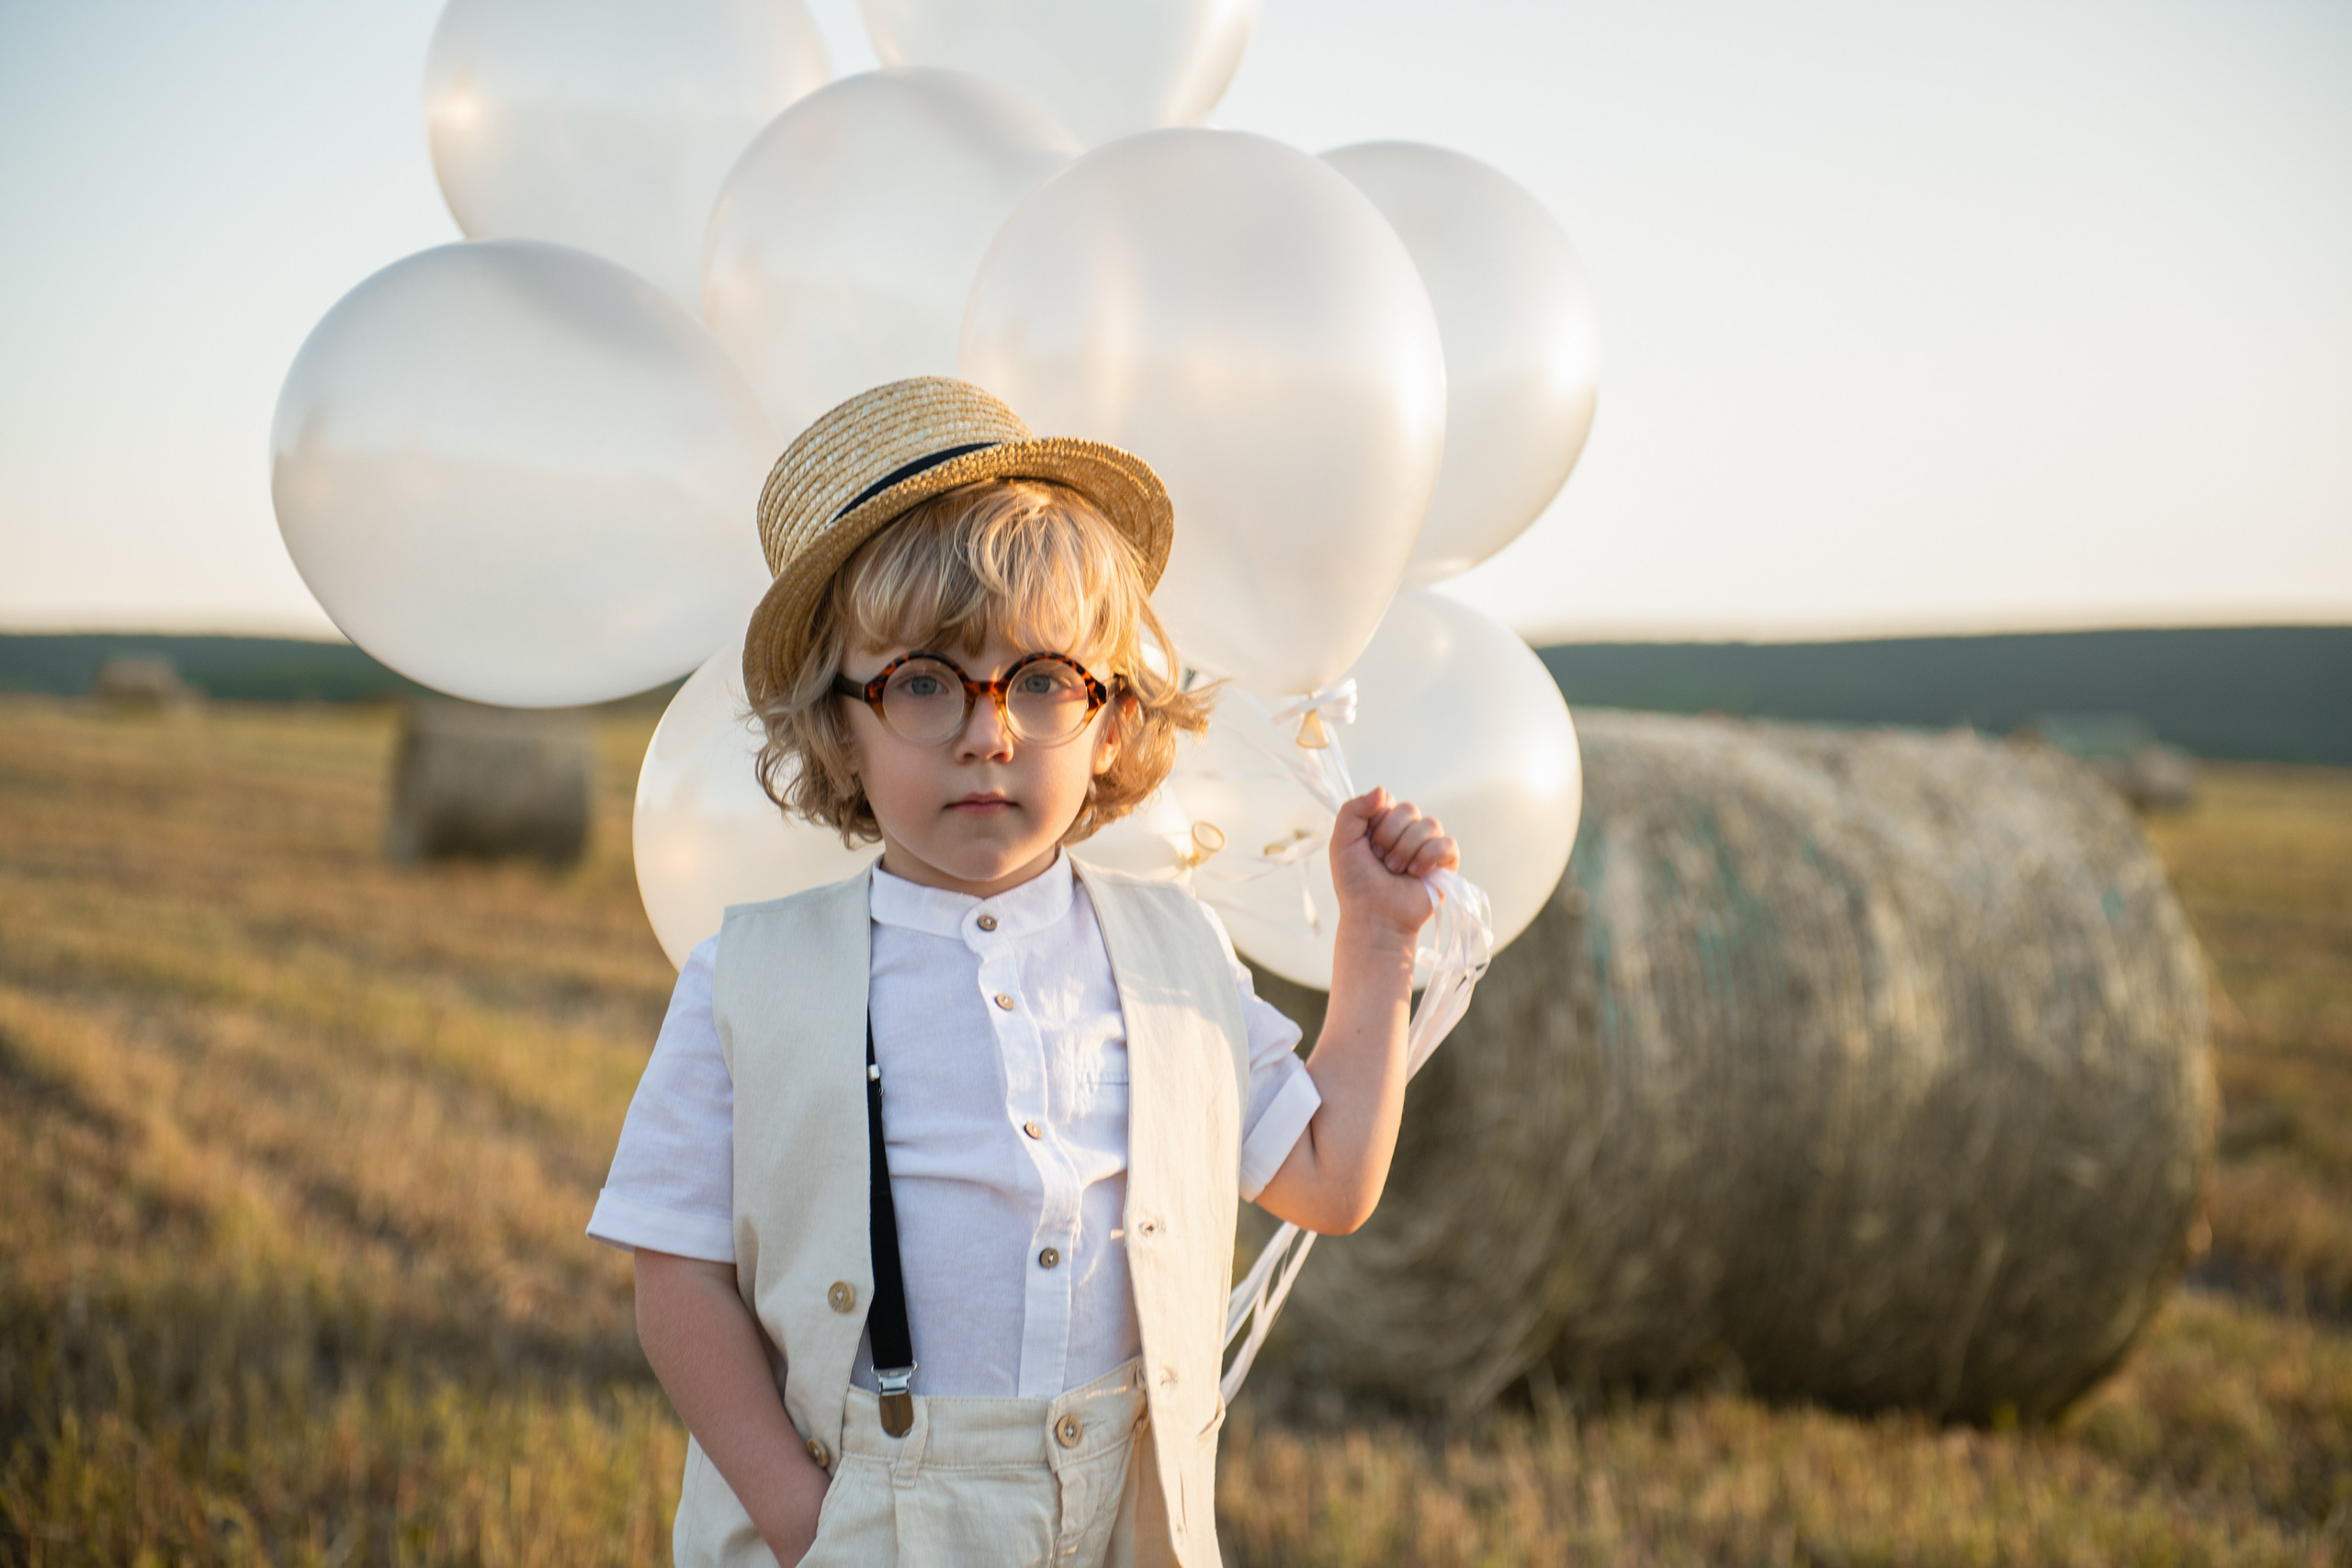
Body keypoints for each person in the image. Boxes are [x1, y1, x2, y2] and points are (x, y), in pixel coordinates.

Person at [588, 377, 1458, 1568]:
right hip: (854, 1506)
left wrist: (1378, 942)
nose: (989, 732)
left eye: (1043, 681)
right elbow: (675, 1273)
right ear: (841, 722)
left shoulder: (1173, 959)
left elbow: (1327, 1180)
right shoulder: (746, 977)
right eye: (925, 683)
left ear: (1110, 719)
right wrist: (802, 1517)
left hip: (1113, 1511)